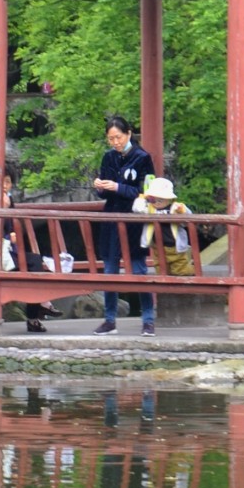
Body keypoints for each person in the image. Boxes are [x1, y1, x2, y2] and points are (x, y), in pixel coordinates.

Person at [91, 114, 155, 334]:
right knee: (110, 269)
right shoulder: (108, 157)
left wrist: (118, 187)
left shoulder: (142, 157)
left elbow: (147, 191)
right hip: (111, 216)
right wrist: (100, 186)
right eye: (111, 139)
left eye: (118, 137)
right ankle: (110, 320)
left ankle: (148, 319)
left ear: (128, 134)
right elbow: (104, 192)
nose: (115, 142)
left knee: (139, 269)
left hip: (134, 218)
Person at [1, 167, 53, 334]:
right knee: (35, 262)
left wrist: (12, 234)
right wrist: (3, 211)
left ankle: (40, 306)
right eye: (1, 182)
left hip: (8, 253)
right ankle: (38, 309)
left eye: (7, 182)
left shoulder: (9, 201)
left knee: (36, 262)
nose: (4, 186)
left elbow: (10, 229)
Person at [134, 175, 194, 276]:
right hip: (157, 246)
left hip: (174, 246)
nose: (156, 203)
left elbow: (189, 217)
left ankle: (192, 270)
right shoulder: (150, 208)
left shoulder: (175, 207)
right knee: (161, 270)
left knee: (180, 270)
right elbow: (137, 209)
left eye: (160, 200)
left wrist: (182, 211)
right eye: (153, 199)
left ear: (169, 199)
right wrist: (142, 198)